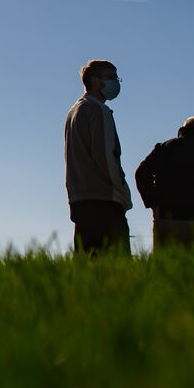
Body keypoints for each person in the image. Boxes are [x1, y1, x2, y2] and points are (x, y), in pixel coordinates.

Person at [65, 60, 133, 254]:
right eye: (111, 77)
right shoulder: (99, 110)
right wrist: (121, 191)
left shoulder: (74, 111)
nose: (116, 82)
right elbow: (105, 157)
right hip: (104, 202)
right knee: (115, 270)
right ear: (95, 81)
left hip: (80, 201)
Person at [134, 116, 194, 252]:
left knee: (166, 269)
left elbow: (141, 173)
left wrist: (153, 203)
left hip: (165, 218)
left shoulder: (164, 147)